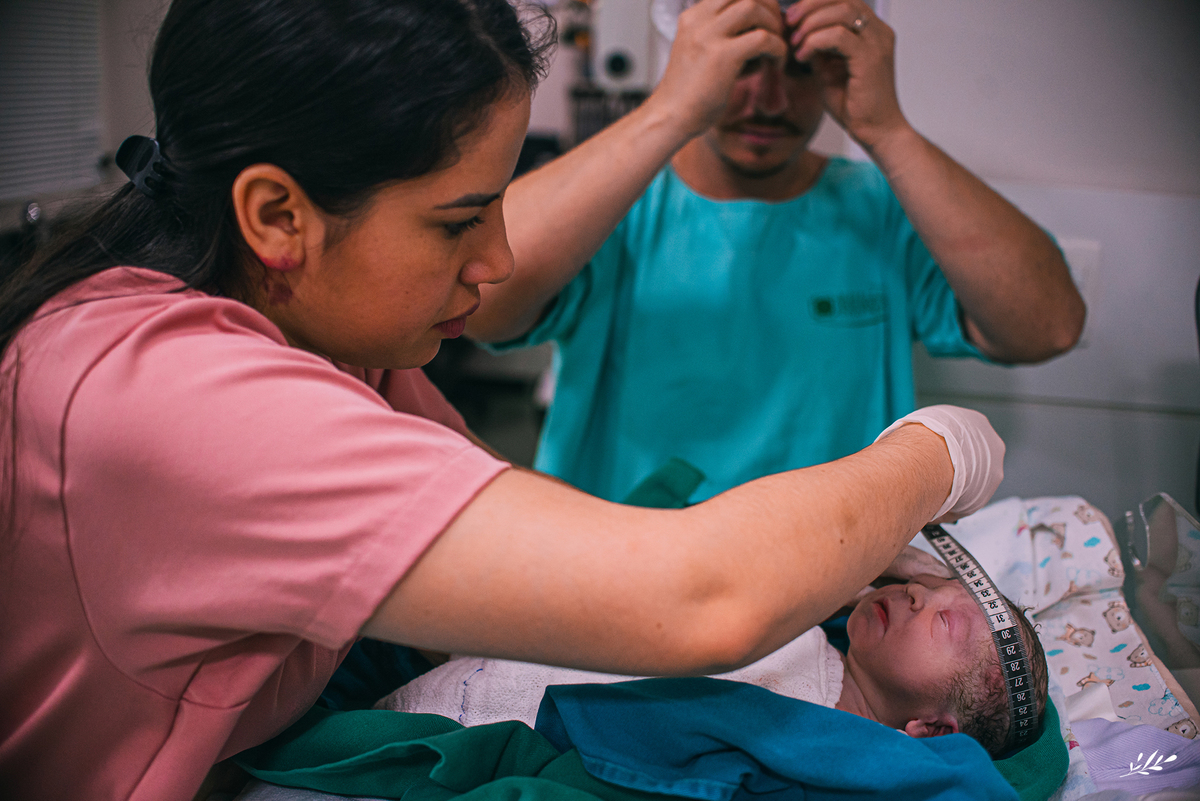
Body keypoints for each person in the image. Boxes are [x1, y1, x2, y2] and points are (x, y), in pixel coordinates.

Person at [0, 1, 1005, 799]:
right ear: (278, 216)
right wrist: (938, 453)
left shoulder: (344, 346)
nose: (496, 263)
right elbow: (700, 599)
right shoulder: (174, 396)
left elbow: (507, 547)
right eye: (459, 221)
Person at [467, 0, 1087, 504]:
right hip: (623, 580)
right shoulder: (617, 203)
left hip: (834, 594)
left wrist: (887, 130)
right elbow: (481, 296)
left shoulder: (878, 209)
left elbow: (1048, 327)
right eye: (742, 62)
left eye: (800, 67)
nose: (768, 100)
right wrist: (672, 109)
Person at [381, 574, 1048, 758]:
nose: (915, 594)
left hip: (502, 743)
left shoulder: (834, 760)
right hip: (478, 684)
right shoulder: (795, 619)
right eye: (928, 585)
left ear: (932, 729)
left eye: (943, 619)